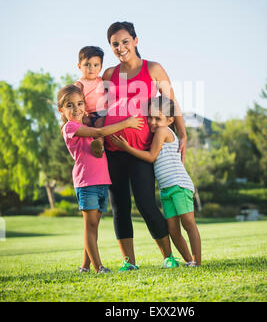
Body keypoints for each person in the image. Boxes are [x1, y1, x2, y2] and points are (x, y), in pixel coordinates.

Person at [102, 21, 188, 271]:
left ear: (136, 40)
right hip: (114, 150)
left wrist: (182, 134)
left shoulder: (153, 69)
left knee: (146, 203)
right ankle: (129, 262)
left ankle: (168, 257)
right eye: (115, 44)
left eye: (125, 41)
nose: (121, 47)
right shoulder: (109, 75)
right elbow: (98, 107)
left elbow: (172, 103)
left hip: (142, 150)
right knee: (120, 206)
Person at [57, 84, 144, 274]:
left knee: (94, 226)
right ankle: (98, 268)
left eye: (80, 103)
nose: (76, 108)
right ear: (61, 110)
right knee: (90, 225)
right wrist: (127, 123)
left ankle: (85, 266)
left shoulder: (84, 124)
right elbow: (98, 133)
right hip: (86, 182)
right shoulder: (70, 127)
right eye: (70, 106)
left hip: (102, 182)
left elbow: (97, 134)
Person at [111, 96, 202, 266]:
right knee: (173, 230)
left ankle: (197, 261)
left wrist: (127, 148)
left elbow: (151, 156)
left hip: (179, 186)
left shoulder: (162, 132)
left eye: (157, 118)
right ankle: (189, 261)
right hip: (167, 190)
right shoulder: (158, 131)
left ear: (170, 120)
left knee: (188, 224)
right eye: (150, 117)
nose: (152, 122)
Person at [74, 46, 107, 158]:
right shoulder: (79, 84)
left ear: (101, 67)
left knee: (100, 124)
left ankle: (99, 144)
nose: (91, 68)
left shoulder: (102, 80)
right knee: (97, 125)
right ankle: (99, 148)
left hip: (106, 112)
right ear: (79, 66)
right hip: (92, 114)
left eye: (95, 65)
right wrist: (84, 116)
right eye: (87, 65)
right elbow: (76, 103)